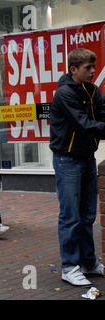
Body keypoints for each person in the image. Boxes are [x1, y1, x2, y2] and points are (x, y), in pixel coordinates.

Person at [50, 48, 105, 286]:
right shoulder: (64, 94)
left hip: (87, 159)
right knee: (71, 217)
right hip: (68, 161)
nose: (93, 72)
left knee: (87, 216)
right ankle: (69, 266)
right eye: (87, 68)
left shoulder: (93, 90)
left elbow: (103, 114)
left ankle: (88, 262)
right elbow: (85, 125)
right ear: (74, 70)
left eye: (93, 67)